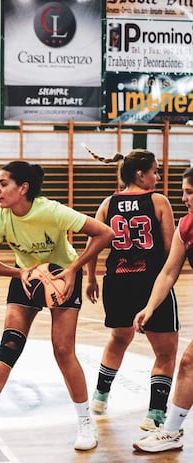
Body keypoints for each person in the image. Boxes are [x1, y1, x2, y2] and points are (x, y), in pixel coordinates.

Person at [0, 160, 114, 451]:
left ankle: (85, 424)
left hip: (62, 275)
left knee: (63, 350)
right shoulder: (1, 217)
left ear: (23, 188)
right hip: (27, 275)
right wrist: (19, 272)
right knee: (10, 343)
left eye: (3, 183)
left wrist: (74, 269)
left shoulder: (51, 211)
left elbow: (104, 232)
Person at [85, 147, 179, 431]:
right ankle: (155, 416)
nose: (158, 175)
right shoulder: (158, 201)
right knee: (165, 353)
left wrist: (91, 279)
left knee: (119, 338)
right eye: (155, 170)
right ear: (141, 174)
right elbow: (168, 249)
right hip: (150, 283)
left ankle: (100, 398)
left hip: (117, 281)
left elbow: (93, 247)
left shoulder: (107, 203)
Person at [132, 166, 193, 452]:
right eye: (183, 191)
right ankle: (171, 432)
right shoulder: (186, 227)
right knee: (189, 363)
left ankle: (171, 431)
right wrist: (150, 307)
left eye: (190, 192)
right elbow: (169, 272)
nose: (184, 198)